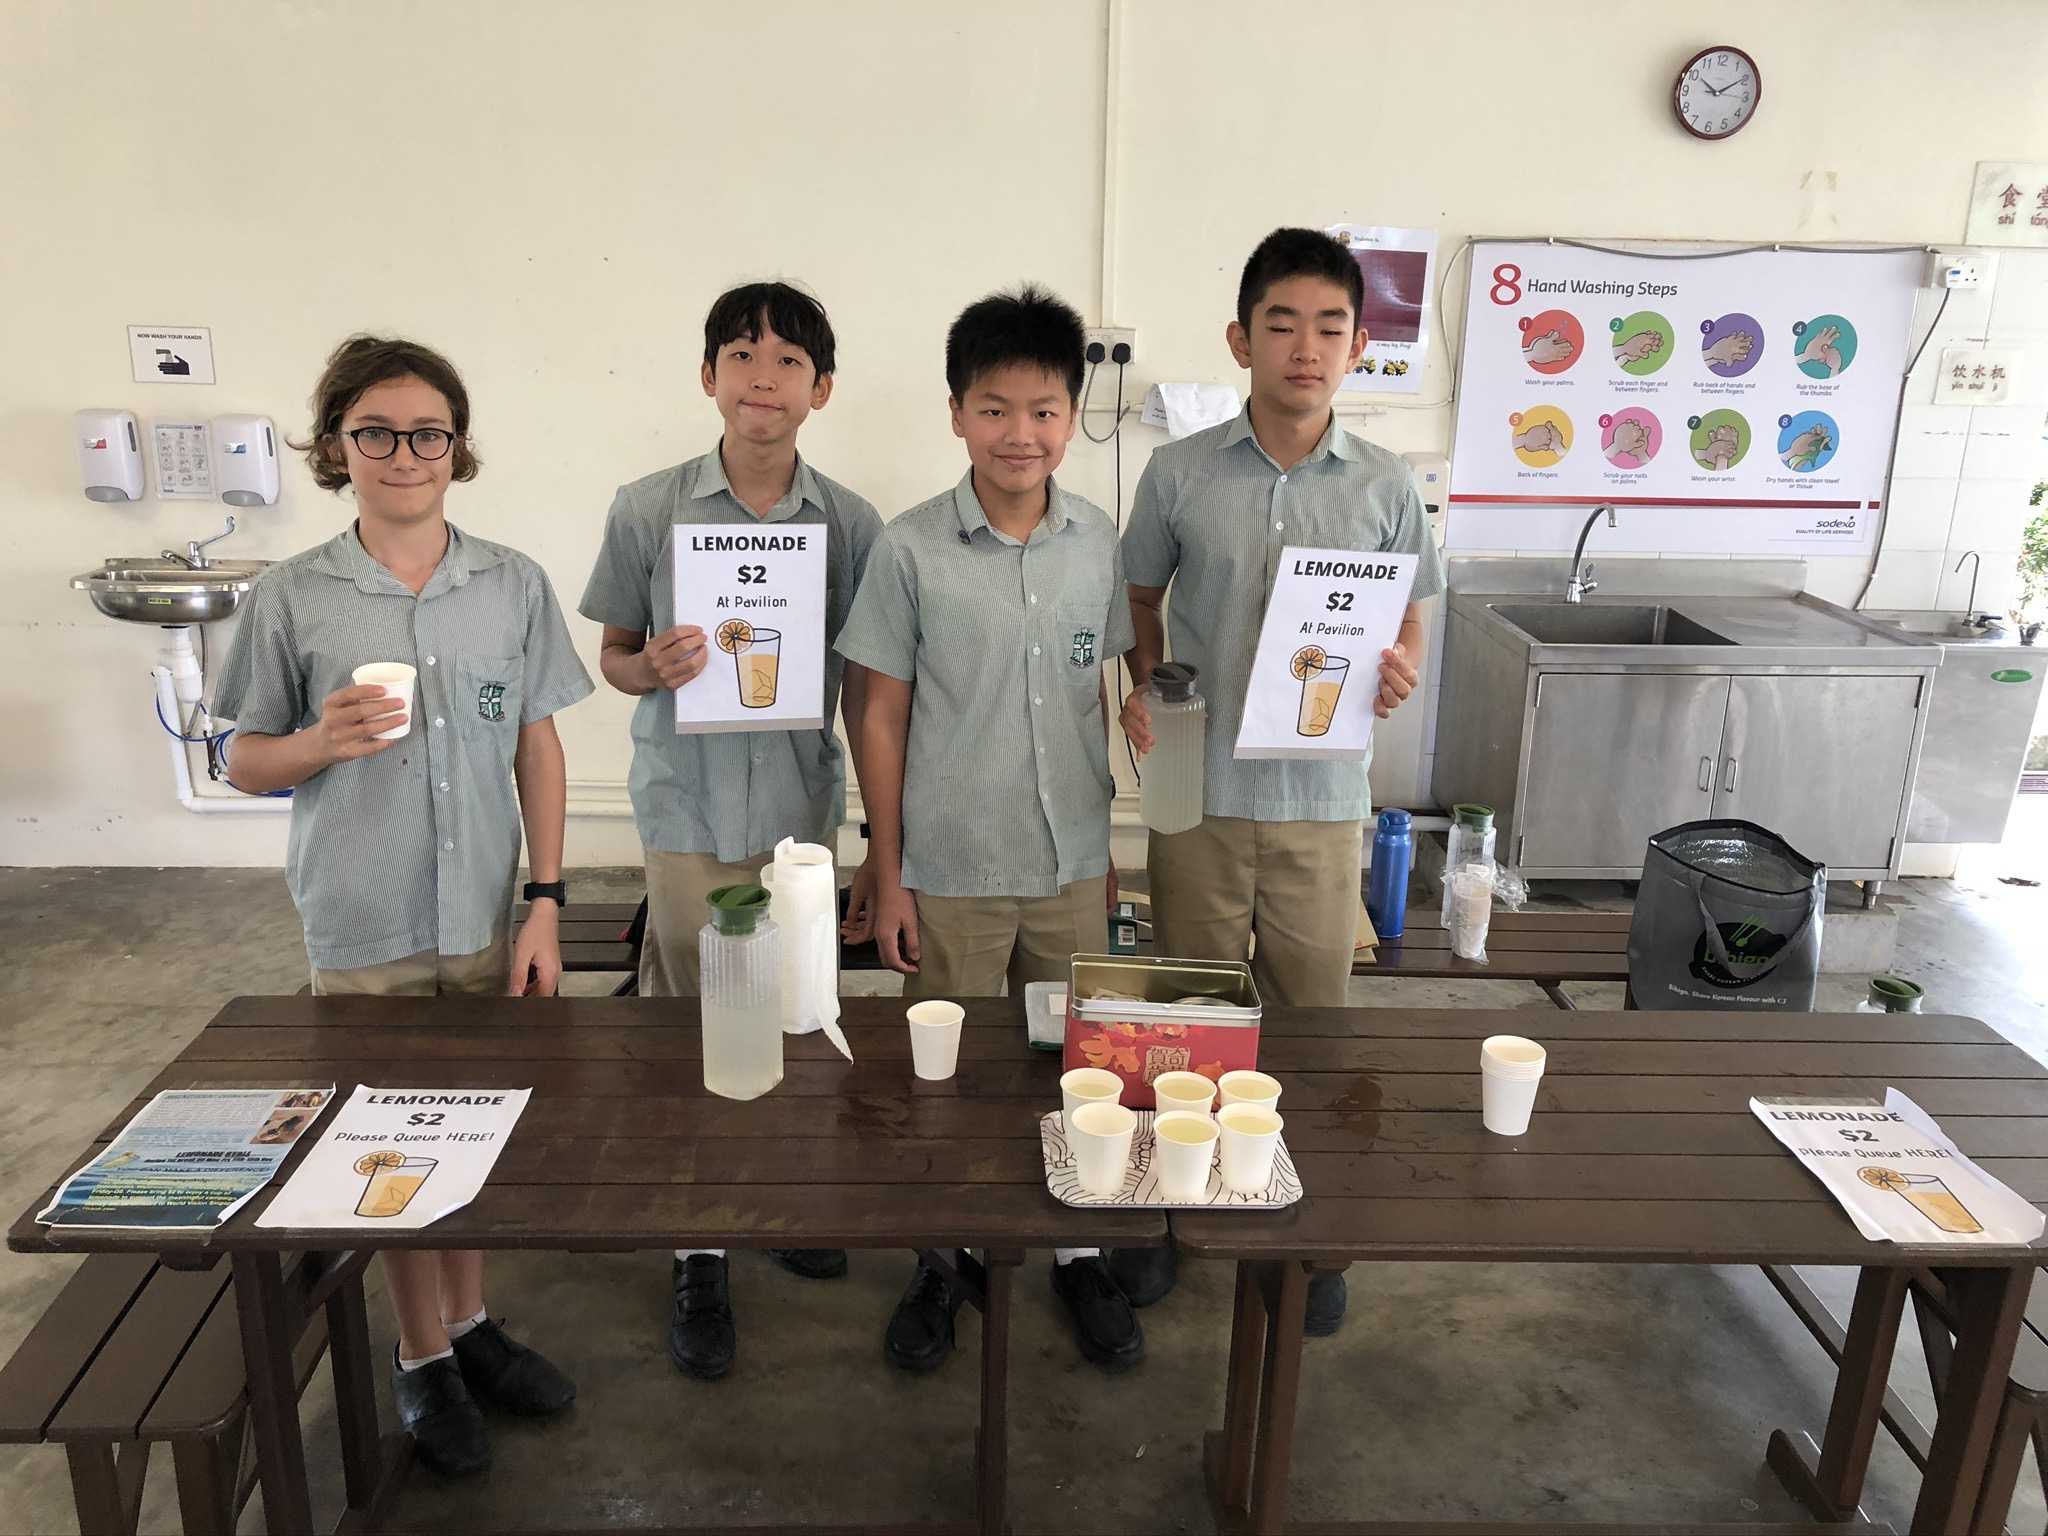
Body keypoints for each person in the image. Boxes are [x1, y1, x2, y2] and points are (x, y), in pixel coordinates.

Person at [214, 335, 593, 1476]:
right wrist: (315, 742)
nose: (403, 453)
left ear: (456, 446)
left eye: (426, 432)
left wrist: (543, 902)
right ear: (337, 447)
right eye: (375, 432)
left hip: (484, 916)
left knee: (470, 1137)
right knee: (386, 1150)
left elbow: (538, 746)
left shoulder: (510, 583)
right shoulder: (295, 595)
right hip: (364, 921)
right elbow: (242, 762)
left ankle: (471, 1325)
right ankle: (420, 1354)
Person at [1114, 228, 1447, 1333]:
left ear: (1357, 347)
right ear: (1239, 338)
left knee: (1315, 1021)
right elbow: (1141, 602)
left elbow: (1405, 623)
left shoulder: (1386, 486)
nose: (1305, 348)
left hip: (1317, 804)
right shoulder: (1177, 473)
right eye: (1281, 324)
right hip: (1198, 793)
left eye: (1329, 327)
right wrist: (1147, 687)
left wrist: (1395, 673)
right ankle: (1176, 1214)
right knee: (1191, 1016)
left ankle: (1312, 1237)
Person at [577, 282, 883, 1382]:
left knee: (797, 1007)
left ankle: (788, 1203)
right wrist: (643, 667)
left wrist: (867, 840)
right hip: (688, 808)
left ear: (821, 389)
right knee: (686, 1019)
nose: (764, 376)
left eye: (789, 360)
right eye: (742, 355)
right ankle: (697, 1242)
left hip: (798, 814)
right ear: (707, 375)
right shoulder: (646, 507)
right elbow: (611, 654)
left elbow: (863, 684)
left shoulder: (848, 523)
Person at [835, 285, 1140, 1371]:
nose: (1022, 433)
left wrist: (1105, 855)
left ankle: (1075, 1255)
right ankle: (938, 1255)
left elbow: (1090, 696)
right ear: (957, 414)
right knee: (945, 1074)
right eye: (995, 408)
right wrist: (889, 863)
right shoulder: (909, 550)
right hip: (952, 864)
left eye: (1044, 410)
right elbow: (876, 710)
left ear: (1069, 417)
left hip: (1066, 863)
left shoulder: (1094, 542)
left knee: (1076, 1064)